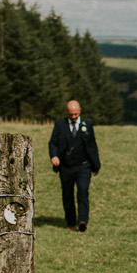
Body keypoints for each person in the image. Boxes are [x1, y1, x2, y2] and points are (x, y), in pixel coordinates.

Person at [48, 99, 101, 231]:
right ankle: (70, 222)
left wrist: (96, 166)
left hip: (84, 166)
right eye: (71, 114)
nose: (73, 117)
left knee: (83, 190)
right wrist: (54, 156)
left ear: (80, 112)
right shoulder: (60, 124)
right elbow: (52, 143)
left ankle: (82, 221)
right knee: (67, 195)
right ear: (67, 112)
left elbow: (92, 145)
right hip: (66, 167)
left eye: (75, 114)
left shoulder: (87, 124)